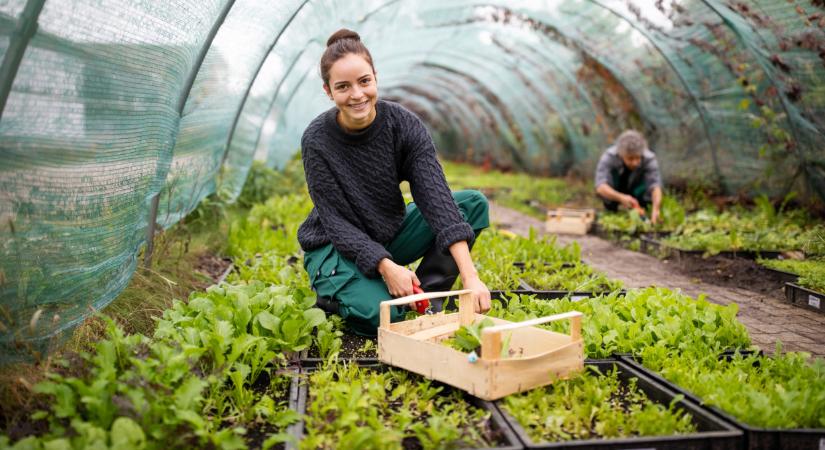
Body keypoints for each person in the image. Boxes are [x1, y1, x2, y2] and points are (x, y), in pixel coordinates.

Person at [297, 29, 491, 336]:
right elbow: (336, 223)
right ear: (328, 91)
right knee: (388, 318)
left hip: (386, 232)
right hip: (334, 246)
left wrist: (470, 277)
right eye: (343, 87)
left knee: (472, 204)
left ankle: (427, 296)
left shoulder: (403, 125)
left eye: (364, 81)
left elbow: (436, 199)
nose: (357, 94)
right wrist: (387, 267)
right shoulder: (317, 140)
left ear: (375, 76)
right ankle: (339, 291)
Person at [594, 130, 663, 224]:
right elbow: (600, 187)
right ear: (621, 154)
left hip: (637, 188)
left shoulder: (649, 159)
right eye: (630, 158)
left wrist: (656, 209)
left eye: (638, 158)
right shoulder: (609, 157)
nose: (635, 162)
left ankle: (644, 210)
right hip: (617, 187)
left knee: (649, 192)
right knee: (607, 193)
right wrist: (621, 197)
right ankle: (612, 210)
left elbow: (655, 186)